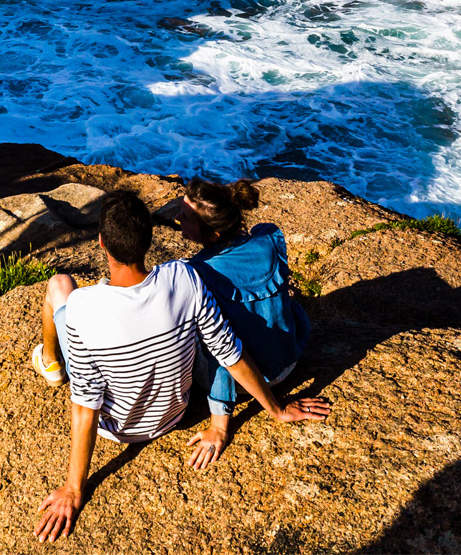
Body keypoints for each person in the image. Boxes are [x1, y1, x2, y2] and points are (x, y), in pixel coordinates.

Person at [29, 190, 331, 542]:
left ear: (101, 243)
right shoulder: (184, 278)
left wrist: (73, 490)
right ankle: (54, 362)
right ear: (149, 240)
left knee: (59, 285)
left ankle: (50, 364)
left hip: (116, 428)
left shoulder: (82, 307)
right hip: (175, 413)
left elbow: (85, 407)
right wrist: (275, 409)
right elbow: (229, 353)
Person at [175, 177, 313, 428]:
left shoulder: (198, 274)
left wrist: (219, 423)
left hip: (247, 382)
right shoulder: (269, 238)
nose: (177, 217)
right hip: (289, 359)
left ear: (214, 234)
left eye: (185, 216)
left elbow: (220, 350)